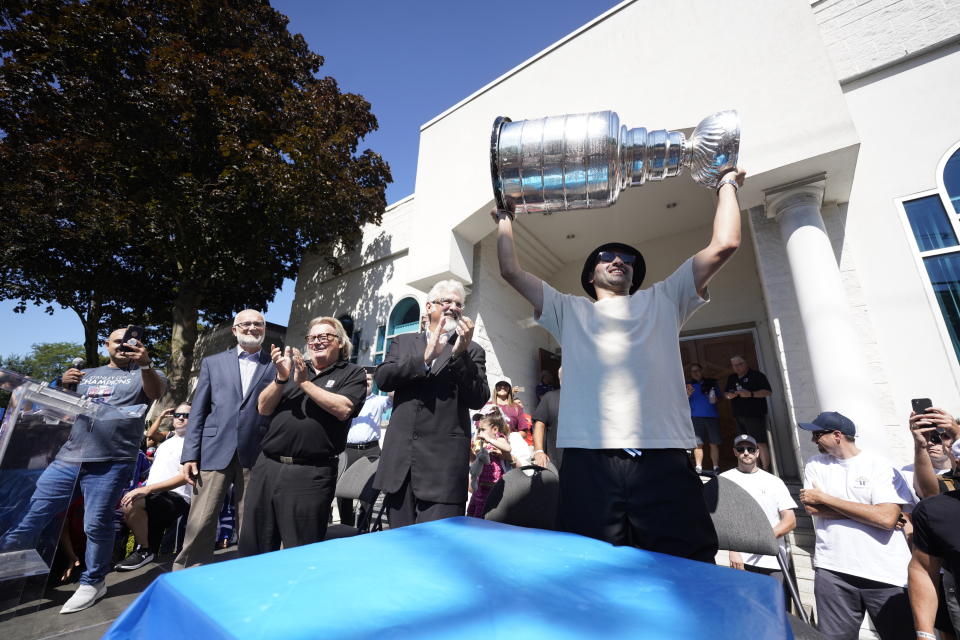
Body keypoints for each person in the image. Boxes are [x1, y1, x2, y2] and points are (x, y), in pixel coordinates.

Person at [493, 167, 745, 561]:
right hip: (587, 460)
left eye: (626, 258)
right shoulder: (567, 310)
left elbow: (725, 244)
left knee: (684, 567)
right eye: (605, 257)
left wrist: (726, 182)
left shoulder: (665, 298)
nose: (618, 260)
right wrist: (505, 218)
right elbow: (510, 271)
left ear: (634, 274)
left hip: (661, 457)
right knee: (589, 568)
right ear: (589, 275)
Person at [0, 327, 166, 613]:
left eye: (131, 343)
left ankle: (93, 581)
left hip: (112, 461)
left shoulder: (145, 372)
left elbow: (157, 392)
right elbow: (51, 407)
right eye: (118, 342)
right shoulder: (85, 374)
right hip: (68, 459)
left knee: (95, 523)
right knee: (33, 513)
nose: (124, 347)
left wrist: (146, 364)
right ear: (106, 345)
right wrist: (62, 383)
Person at [239, 317, 366, 554]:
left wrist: (305, 384)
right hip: (267, 467)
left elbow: (343, 409)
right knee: (254, 544)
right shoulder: (290, 368)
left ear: (340, 342)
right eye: (312, 337)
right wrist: (281, 379)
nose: (317, 342)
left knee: (301, 548)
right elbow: (263, 408)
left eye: (324, 337)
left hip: (310, 474)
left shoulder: (352, 373)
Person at [373, 280, 490, 527]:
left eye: (459, 304)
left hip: (443, 471)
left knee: (438, 550)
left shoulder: (472, 350)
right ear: (428, 307)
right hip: (401, 467)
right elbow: (383, 379)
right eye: (446, 301)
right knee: (400, 548)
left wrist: (460, 355)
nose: (454, 307)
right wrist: (425, 358)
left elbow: (479, 397)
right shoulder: (404, 343)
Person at [796, 411, 915, 640]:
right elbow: (812, 508)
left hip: (885, 573)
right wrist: (869, 511)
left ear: (837, 435)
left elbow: (886, 519)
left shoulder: (878, 465)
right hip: (832, 569)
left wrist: (826, 499)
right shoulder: (815, 464)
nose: (813, 440)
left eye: (817, 434)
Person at [174, 309, 275, 571]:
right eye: (246, 324)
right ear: (234, 330)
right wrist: (189, 455)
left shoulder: (275, 364)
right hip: (213, 450)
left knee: (250, 520)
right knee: (201, 519)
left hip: (256, 451)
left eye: (258, 324)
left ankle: (249, 572)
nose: (252, 328)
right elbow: (198, 411)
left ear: (264, 329)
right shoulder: (213, 362)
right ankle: (188, 574)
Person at [116, 403, 192, 570]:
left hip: (175, 496)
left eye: (186, 415)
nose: (180, 418)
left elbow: (184, 477)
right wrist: (161, 416)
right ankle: (146, 552)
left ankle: (144, 550)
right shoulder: (167, 442)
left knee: (132, 503)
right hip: (152, 495)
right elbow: (151, 434)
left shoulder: (193, 443)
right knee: (150, 551)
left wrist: (147, 489)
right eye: (178, 414)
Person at [720, 434, 797, 587]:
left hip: (774, 560)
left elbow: (790, 520)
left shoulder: (774, 481)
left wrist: (761, 541)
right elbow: (724, 521)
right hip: (741, 561)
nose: (746, 452)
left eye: (750, 449)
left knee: (775, 608)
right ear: (735, 452)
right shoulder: (723, 480)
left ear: (757, 452)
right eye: (741, 449)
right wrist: (734, 550)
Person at [337, 369, 391, 528]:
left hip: (371, 450)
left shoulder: (379, 401)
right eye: (362, 379)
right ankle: (345, 527)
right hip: (348, 450)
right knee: (343, 494)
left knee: (368, 492)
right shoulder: (346, 399)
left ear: (373, 382)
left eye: (368, 379)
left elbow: (394, 396)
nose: (365, 382)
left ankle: (364, 527)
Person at [724, 355, 773, 470]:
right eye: (734, 365)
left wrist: (751, 394)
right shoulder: (732, 378)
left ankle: (766, 469)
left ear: (746, 363)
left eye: (739, 364)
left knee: (759, 442)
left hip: (754, 415)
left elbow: (768, 392)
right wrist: (730, 395)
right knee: (745, 443)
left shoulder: (757, 375)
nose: (737, 367)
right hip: (738, 415)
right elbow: (726, 394)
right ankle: (752, 468)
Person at [467, 408, 512, 518]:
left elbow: (508, 448)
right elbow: (474, 461)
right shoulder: (481, 444)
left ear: (495, 429)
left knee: (486, 515)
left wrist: (489, 439)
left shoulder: (499, 439)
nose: (479, 432)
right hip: (480, 487)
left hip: (494, 487)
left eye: (482, 429)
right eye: (478, 429)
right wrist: (469, 450)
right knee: (472, 512)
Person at [687, 362, 721, 474]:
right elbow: (680, 402)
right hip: (695, 417)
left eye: (697, 370)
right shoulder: (688, 385)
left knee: (713, 443)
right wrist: (687, 394)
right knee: (698, 444)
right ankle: (698, 467)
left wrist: (714, 398)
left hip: (712, 416)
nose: (696, 373)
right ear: (691, 373)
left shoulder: (711, 383)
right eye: (693, 371)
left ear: (702, 371)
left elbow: (719, 398)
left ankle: (716, 467)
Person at [531, 367, 563, 470]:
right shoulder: (549, 396)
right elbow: (539, 424)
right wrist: (539, 451)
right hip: (557, 459)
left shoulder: (586, 397)